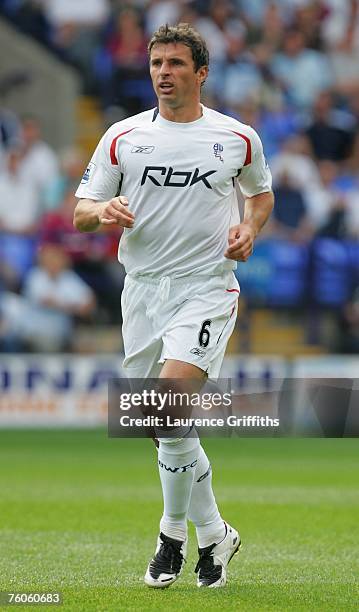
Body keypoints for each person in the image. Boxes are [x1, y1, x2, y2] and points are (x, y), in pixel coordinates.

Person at [74, 23, 274, 589]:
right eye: (157, 63)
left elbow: (260, 194)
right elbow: (80, 209)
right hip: (142, 289)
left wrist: (249, 227)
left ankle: (172, 536)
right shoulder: (123, 137)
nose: (164, 72)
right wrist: (103, 210)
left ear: (201, 73)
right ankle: (216, 535)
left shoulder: (236, 138)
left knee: (166, 407)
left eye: (176, 64)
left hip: (206, 286)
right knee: (160, 425)